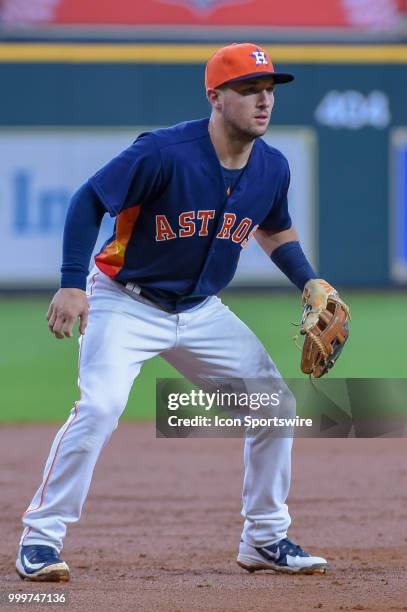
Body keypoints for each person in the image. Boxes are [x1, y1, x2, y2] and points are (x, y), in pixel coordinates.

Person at [16, 43, 333, 582]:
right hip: (125, 301)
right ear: (215, 96)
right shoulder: (163, 152)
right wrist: (72, 284)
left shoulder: (271, 167)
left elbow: (274, 228)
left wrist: (310, 281)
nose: (264, 101)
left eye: (270, 90)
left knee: (274, 406)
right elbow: (88, 200)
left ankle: (264, 538)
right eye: (249, 89)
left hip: (201, 310)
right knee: (99, 409)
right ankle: (40, 541)